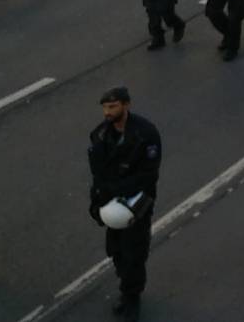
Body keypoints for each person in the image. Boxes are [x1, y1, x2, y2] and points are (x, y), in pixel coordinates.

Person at [87, 86, 161, 322]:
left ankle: (132, 296)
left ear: (126, 105)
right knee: (116, 250)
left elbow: (148, 175)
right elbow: (98, 175)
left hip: (136, 205)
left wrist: (116, 189)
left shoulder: (145, 134)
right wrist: (96, 201)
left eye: (113, 106)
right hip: (111, 205)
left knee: (134, 254)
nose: (107, 112)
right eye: (105, 107)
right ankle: (126, 288)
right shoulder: (100, 135)